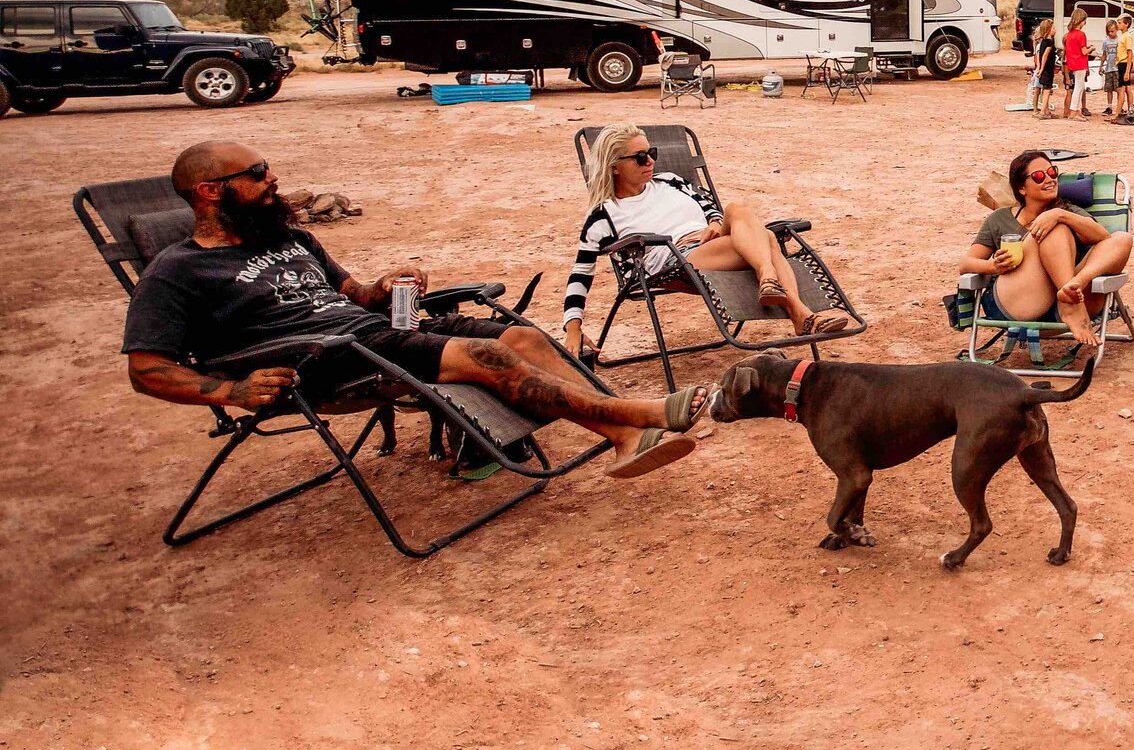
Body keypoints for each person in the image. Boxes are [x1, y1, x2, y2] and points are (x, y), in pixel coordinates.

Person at [123, 142, 708, 480]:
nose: (272, 179)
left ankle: (624, 439)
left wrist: (385, 286)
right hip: (328, 360)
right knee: (487, 355)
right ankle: (642, 412)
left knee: (522, 338)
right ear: (208, 191)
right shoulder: (176, 271)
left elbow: (355, 294)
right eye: (255, 175)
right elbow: (146, 367)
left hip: (376, 331)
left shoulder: (290, 239)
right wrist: (229, 393)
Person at [563, 125, 855, 361]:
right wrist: (572, 326)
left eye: (651, 152)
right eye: (640, 157)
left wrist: (714, 224)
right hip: (675, 260)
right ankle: (799, 312)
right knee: (765, 237)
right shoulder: (604, 214)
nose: (650, 161)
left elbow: (711, 208)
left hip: (716, 243)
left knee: (736, 209)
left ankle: (771, 282)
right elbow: (581, 271)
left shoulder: (671, 182)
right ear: (614, 167)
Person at [959, 149, 1134, 349]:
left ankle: (1072, 290)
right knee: (1053, 229)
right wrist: (993, 266)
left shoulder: (1069, 211)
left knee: (1123, 238)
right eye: (1039, 176)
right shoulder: (999, 218)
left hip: (1067, 309)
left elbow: (1105, 241)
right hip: (1019, 302)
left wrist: (1060, 214)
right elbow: (966, 264)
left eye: (1052, 172)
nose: (1050, 179)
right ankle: (1071, 303)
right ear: (1021, 188)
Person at [1060, 7, 1093, 118]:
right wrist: (1091, 49)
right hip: (1080, 63)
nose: (1085, 23)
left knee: (1078, 87)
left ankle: (1076, 110)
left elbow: (1074, 49)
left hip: (1072, 63)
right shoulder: (1081, 34)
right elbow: (1084, 51)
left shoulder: (1069, 34)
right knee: (1079, 87)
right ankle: (1074, 111)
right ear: (1081, 20)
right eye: (1084, 20)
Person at [1029, 17, 1059, 118]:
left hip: (1044, 69)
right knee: (1047, 90)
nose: (1055, 29)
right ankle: (1042, 112)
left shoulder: (1043, 42)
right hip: (1047, 69)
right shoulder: (1049, 43)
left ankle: (1046, 111)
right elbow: (1045, 56)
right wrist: (1041, 68)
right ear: (1048, 30)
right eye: (1053, 28)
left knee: (1044, 89)